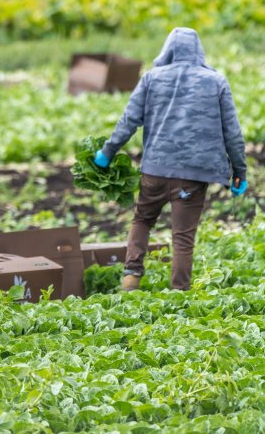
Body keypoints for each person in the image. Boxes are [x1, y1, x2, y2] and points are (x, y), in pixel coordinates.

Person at [95, 27, 247, 292]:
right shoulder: (216, 81)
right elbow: (232, 132)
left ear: (167, 50)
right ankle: (179, 293)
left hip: (155, 170)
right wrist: (239, 171)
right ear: (199, 51)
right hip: (194, 176)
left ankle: (131, 276)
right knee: (183, 237)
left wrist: (107, 153)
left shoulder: (151, 78)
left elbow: (129, 120)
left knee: (142, 220)